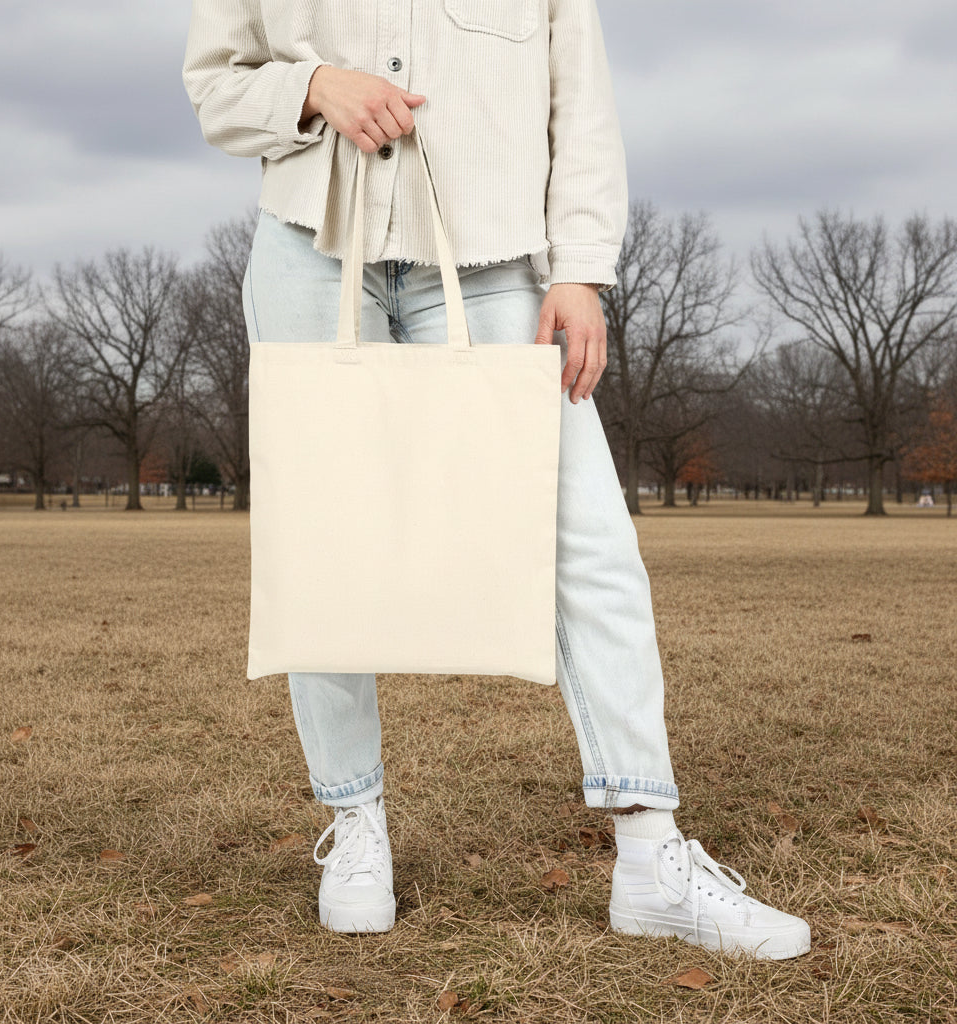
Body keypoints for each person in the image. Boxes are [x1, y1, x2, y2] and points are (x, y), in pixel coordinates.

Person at [182, 0, 810, 960]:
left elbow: (581, 105)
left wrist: (584, 270)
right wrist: (310, 87)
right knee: (326, 550)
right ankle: (356, 825)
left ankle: (650, 852)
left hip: (491, 270)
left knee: (587, 543)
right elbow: (215, 83)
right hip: (309, 250)